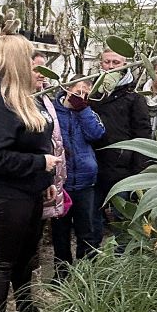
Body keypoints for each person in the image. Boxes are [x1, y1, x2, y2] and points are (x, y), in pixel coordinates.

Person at [0, 34, 61, 312]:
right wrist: (40, 163)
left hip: (30, 189)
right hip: (8, 193)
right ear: (14, 60)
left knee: (27, 258)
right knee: (4, 262)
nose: (33, 62)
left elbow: (35, 141)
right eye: (28, 56)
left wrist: (44, 178)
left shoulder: (23, 96)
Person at [88, 47, 152, 246]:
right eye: (107, 62)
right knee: (92, 219)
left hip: (123, 172)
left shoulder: (134, 98)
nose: (110, 66)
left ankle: (122, 262)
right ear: (101, 63)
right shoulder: (92, 95)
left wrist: (138, 174)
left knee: (122, 220)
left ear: (125, 65)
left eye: (116, 62)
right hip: (96, 167)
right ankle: (92, 259)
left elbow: (143, 136)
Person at [53, 75, 105, 278]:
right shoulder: (54, 112)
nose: (81, 96)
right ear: (67, 89)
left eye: (86, 93)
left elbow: (97, 134)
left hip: (85, 180)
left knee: (87, 230)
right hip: (61, 181)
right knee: (60, 232)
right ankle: (61, 274)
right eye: (78, 91)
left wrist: (83, 109)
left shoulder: (88, 112)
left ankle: (86, 273)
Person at [33, 51, 67, 220]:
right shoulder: (23, 102)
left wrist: (51, 180)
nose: (41, 74)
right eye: (36, 69)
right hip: (34, 176)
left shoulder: (45, 99)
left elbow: (55, 140)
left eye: (44, 69)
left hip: (49, 173)